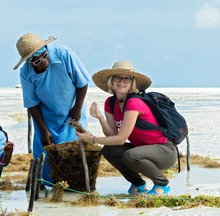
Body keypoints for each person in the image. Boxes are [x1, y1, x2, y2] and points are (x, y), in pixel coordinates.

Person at [76, 60, 177, 195]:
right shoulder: (110, 103)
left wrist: (92, 139)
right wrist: (100, 118)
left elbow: (121, 139)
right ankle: (138, 184)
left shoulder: (134, 102)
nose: (121, 82)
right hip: (141, 150)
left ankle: (162, 184)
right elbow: (112, 135)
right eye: (118, 77)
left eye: (127, 79)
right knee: (110, 150)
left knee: (131, 155)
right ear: (111, 81)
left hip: (164, 152)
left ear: (132, 83)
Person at [13, 33, 91, 184]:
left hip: (71, 112)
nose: (41, 62)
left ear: (45, 49)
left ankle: (75, 186)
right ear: (29, 61)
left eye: (42, 56)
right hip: (46, 118)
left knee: (74, 153)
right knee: (44, 155)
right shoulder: (26, 72)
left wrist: (77, 108)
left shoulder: (64, 54)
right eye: (35, 61)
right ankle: (49, 186)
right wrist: (43, 130)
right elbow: (32, 103)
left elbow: (82, 82)